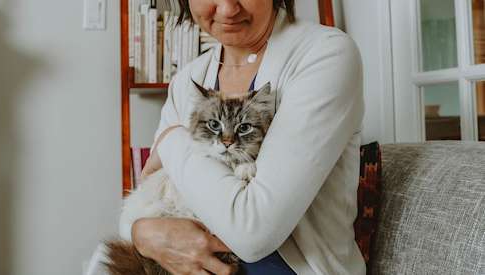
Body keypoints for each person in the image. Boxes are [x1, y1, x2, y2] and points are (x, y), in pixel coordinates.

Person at [127, 0, 366, 274]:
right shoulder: (186, 81)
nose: (228, 9)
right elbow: (141, 205)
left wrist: (171, 139)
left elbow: (253, 233)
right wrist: (141, 233)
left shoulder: (326, 54)